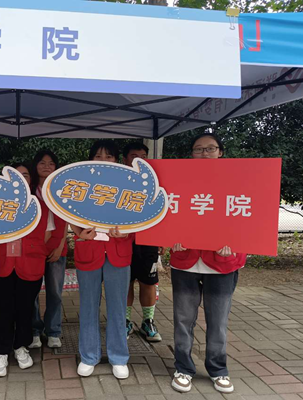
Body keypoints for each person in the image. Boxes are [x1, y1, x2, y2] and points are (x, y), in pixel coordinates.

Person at [170, 133, 246, 394]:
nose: (204, 153)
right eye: (198, 149)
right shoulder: (179, 180)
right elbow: (168, 213)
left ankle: (218, 369)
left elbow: (248, 218)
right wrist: (170, 239)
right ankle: (183, 367)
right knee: (183, 319)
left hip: (222, 262)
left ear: (220, 152)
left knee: (218, 320)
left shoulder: (238, 180)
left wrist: (236, 245)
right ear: (191, 153)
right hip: (185, 260)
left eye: (210, 148)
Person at [71, 140, 133, 380]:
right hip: (89, 250)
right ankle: (89, 355)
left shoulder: (128, 185)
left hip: (118, 251)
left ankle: (119, 357)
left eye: (109, 156)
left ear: (117, 160)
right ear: (90, 160)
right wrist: (79, 233)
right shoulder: (80, 185)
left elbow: (139, 217)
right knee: (88, 305)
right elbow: (68, 212)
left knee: (118, 307)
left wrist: (127, 232)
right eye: (98, 156)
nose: (104, 160)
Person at [0, 162, 53, 377]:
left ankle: (20, 346)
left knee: (25, 308)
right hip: (3, 263)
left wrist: (30, 248)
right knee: (3, 308)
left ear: (30, 179)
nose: (20, 178)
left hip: (30, 264)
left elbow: (47, 233)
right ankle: (1, 351)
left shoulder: (41, 206)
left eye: (24, 175)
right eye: (15, 175)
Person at [122, 142, 162, 342]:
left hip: (148, 240)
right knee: (126, 282)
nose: (139, 160)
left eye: (143, 157)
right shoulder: (117, 180)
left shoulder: (155, 181)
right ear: (125, 160)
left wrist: (163, 237)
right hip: (123, 242)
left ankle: (148, 322)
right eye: (134, 156)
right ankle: (125, 321)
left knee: (149, 282)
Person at [29, 150, 68, 349]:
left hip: (57, 249)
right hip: (33, 249)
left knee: (55, 292)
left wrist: (60, 246)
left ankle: (53, 331)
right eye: (42, 162)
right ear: (35, 165)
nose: (46, 166)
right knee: (32, 292)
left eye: (51, 163)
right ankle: (35, 330)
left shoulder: (61, 190)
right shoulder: (29, 190)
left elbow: (68, 219)